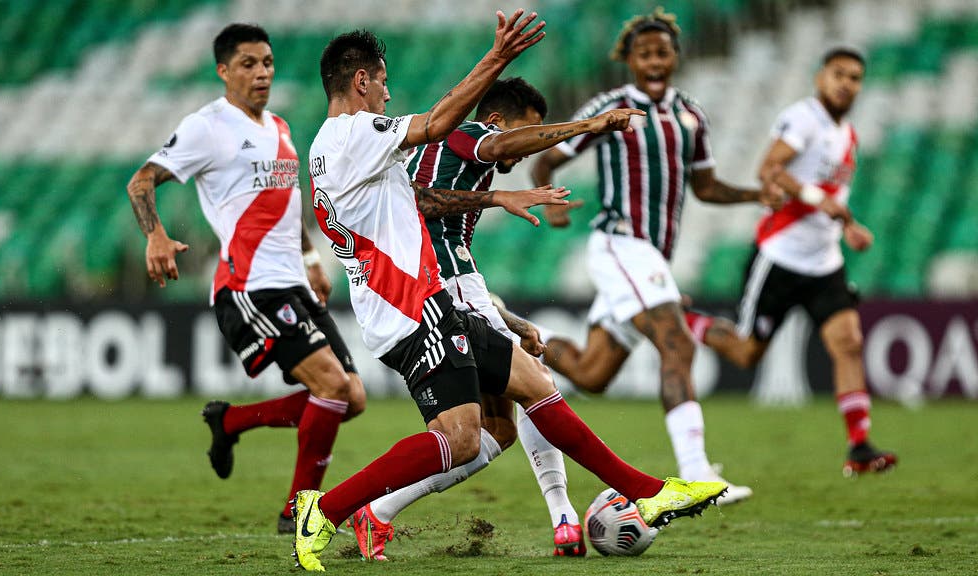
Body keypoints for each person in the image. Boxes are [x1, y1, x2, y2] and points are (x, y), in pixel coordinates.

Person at [291, 11, 727, 573]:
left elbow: (421, 193)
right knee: (461, 439)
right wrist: (500, 58)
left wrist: (496, 201)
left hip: (427, 299)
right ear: (361, 82)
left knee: (534, 382)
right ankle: (325, 509)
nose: (387, 93)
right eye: (382, 83)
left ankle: (648, 490)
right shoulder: (354, 133)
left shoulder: (330, 146)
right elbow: (441, 122)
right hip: (408, 308)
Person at [347, 77, 644, 560]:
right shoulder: (467, 134)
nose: (526, 150)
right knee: (535, 387)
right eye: (530, 131)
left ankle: (377, 511)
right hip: (445, 286)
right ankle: (564, 517)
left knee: (494, 429)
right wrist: (588, 125)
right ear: (498, 120)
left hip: (443, 285)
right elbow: (503, 145)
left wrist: (506, 316)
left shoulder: (446, 158)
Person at [530, 8, 781, 505]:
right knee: (678, 344)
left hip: (651, 257)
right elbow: (550, 155)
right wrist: (548, 200)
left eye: (662, 52)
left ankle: (529, 346)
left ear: (675, 57)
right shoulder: (611, 105)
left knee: (591, 374)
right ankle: (697, 476)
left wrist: (756, 195)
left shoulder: (690, 114)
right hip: (620, 241)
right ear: (628, 59)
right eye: (643, 53)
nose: (654, 60)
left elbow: (705, 185)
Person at [125, 23, 366, 533]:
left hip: (293, 280)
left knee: (353, 398)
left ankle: (230, 421)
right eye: (249, 64)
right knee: (331, 383)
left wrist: (312, 260)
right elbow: (141, 180)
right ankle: (298, 513)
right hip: (248, 285)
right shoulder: (206, 127)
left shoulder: (277, 126)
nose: (262, 73)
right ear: (223, 71)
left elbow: (289, 201)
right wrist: (156, 236)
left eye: (268, 63)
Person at [682, 46, 897, 476]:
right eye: (838, 73)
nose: (846, 83)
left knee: (848, 343)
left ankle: (859, 447)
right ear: (820, 77)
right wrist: (821, 201)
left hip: (824, 263)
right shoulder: (804, 118)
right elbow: (770, 170)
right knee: (746, 355)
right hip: (779, 258)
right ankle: (683, 319)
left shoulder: (847, 134)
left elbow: (834, 200)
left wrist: (848, 225)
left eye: (855, 77)